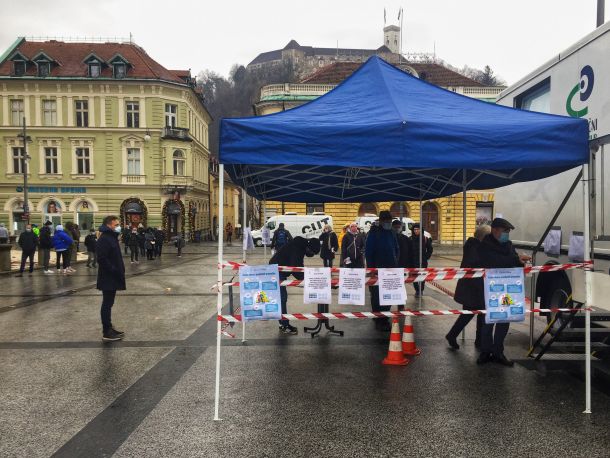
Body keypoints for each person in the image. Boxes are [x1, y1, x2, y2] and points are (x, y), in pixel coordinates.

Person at [476, 217, 531, 366]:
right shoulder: (485, 245)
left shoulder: (508, 245)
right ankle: (485, 352)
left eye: (508, 232)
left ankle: (498, 352)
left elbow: (512, 260)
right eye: (505, 231)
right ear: (495, 230)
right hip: (490, 291)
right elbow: (494, 261)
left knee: (504, 320)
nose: (507, 234)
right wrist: (516, 260)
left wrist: (520, 262)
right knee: (488, 321)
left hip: (507, 290)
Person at [445, 225, 491, 350]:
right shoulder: (474, 247)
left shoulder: (475, 246)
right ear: (484, 237)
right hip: (472, 287)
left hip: (476, 286)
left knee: (479, 314)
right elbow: (475, 264)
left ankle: (479, 340)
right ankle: (452, 335)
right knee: (469, 314)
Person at [269, 236, 320, 334]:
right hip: (276, 270)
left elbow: (299, 266)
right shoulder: (297, 248)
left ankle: (283, 323)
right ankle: (284, 325)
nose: (311, 255)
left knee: (282, 298)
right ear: (308, 248)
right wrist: (308, 281)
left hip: (278, 269)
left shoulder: (301, 246)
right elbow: (296, 269)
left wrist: (308, 278)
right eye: (312, 253)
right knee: (282, 298)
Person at [365, 210, 399, 331]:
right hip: (377, 270)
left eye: (389, 221)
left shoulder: (392, 232)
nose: (388, 223)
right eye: (386, 221)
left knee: (388, 294)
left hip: (391, 269)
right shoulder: (374, 233)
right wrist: (371, 269)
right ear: (381, 221)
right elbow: (368, 252)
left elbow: (396, 248)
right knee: (376, 295)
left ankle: (383, 317)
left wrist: (395, 263)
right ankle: (379, 318)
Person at [96, 215, 126, 342]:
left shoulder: (111, 237)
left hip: (112, 276)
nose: (118, 227)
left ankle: (109, 328)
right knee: (107, 303)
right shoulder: (105, 239)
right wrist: (114, 270)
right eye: (116, 225)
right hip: (108, 277)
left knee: (109, 303)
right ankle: (107, 332)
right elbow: (102, 258)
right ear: (109, 225)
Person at [409, 223, 433, 297]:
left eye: (417, 229)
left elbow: (430, 249)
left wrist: (426, 257)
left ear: (421, 230)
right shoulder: (410, 239)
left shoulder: (425, 239)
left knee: (422, 277)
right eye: (415, 230)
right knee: (414, 277)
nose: (416, 231)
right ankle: (417, 290)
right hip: (413, 261)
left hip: (422, 261)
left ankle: (421, 290)